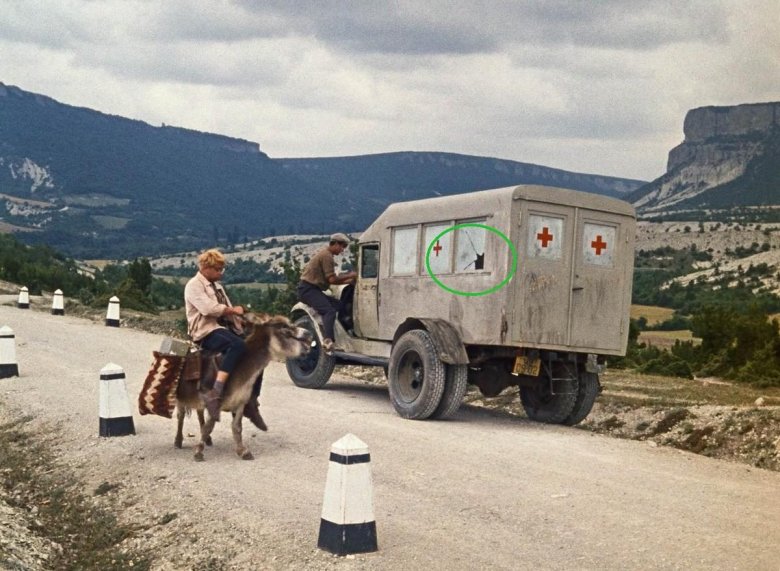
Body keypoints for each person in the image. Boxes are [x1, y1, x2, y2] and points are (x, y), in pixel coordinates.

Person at [184, 249, 245, 420]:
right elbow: (208, 309)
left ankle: (251, 394)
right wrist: (233, 310)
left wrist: (241, 321)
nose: (220, 273)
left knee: (256, 350)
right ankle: (217, 388)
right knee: (237, 345)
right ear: (205, 267)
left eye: (221, 269)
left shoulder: (217, 287)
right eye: (217, 269)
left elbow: (228, 308)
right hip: (205, 330)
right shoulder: (194, 285)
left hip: (223, 328)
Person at [297, 233, 357, 353]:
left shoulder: (325, 254)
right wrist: (351, 276)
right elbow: (332, 280)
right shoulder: (327, 256)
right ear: (334, 243)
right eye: (341, 246)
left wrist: (348, 280)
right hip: (308, 290)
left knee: (339, 305)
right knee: (329, 311)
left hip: (311, 289)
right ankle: (328, 340)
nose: (342, 250)